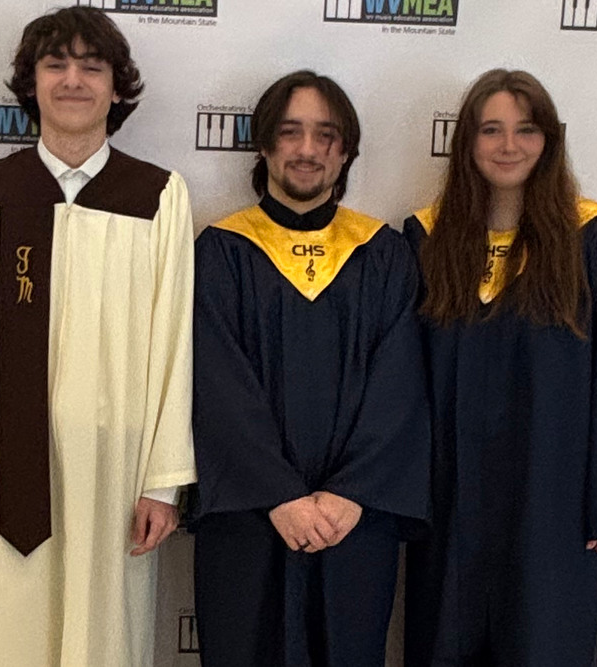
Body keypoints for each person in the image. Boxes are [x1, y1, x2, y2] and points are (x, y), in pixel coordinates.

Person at [0, 7, 195, 666]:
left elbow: (173, 342)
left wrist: (161, 482)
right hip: (12, 465)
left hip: (118, 465)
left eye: (91, 66)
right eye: (56, 64)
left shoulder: (158, 195)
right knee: (17, 634)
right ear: (31, 82)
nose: (73, 80)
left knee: (110, 634)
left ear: (115, 85)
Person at [403, 69, 597, 666]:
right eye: (491, 130)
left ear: (549, 139)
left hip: (553, 506)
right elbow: (404, 383)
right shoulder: (428, 240)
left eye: (526, 130)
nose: (509, 146)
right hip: (452, 505)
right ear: (467, 143)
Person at [191, 70, 431, 667]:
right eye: (291, 132)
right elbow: (216, 385)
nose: (307, 149)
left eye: (325, 135)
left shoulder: (382, 253)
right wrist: (278, 495)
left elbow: (399, 386)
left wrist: (351, 494)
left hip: (354, 521)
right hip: (250, 514)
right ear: (266, 145)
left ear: (345, 149)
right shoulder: (222, 250)